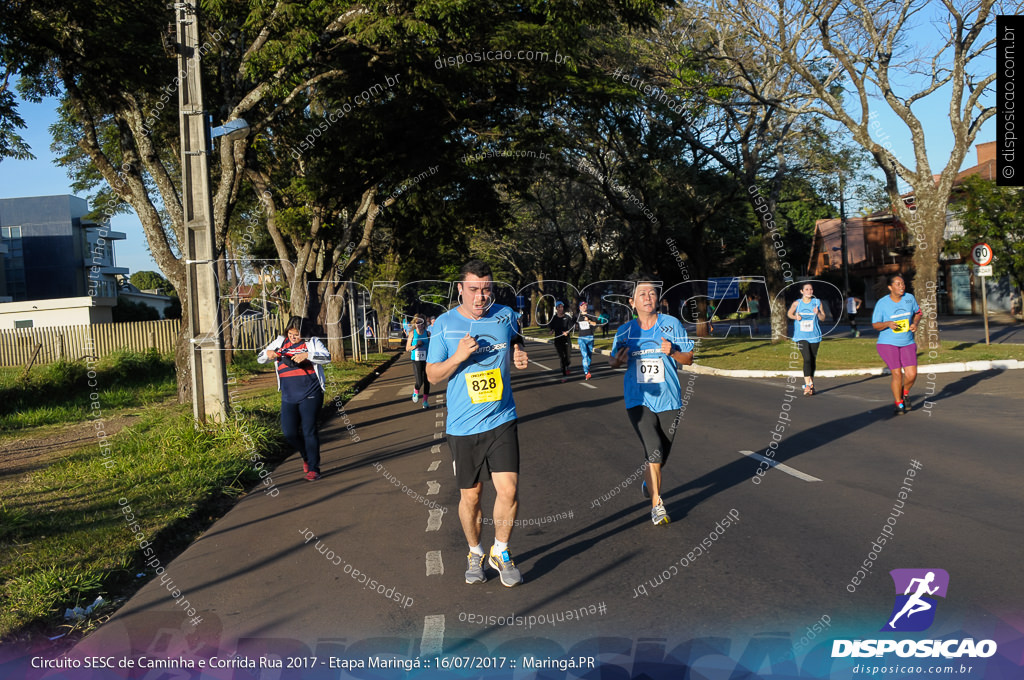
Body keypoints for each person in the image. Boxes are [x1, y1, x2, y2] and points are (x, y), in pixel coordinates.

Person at [426, 260, 530, 586]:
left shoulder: (505, 315)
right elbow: (432, 375)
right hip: (463, 427)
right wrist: (457, 357)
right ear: (460, 289)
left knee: (509, 490)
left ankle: (501, 550)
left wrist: (518, 350)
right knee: (472, 497)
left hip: (502, 418)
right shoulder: (444, 325)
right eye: (473, 289)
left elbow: (515, 336)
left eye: (486, 289)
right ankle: (475, 551)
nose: (480, 296)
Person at [609, 279, 694, 526]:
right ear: (632, 302)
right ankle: (657, 505)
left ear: (658, 299)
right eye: (642, 293)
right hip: (638, 399)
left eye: (652, 293)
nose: (648, 297)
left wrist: (673, 352)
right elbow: (612, 361)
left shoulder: (672, 324)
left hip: (669, 398)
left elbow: (688, 358)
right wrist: (615, 362)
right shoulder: (625, 331)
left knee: (660, 456)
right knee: (654, 448)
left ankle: (649, 480)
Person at [258, 316, 332, 481]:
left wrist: (307, 355)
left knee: (309, 431)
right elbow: (260, 358)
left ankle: (314, 468)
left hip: (311, 393)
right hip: (288, 395)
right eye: (290, 333)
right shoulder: (280, 342)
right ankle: (306, 455)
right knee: (289, 433)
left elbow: (327, 357)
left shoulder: (312, 342)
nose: (293, 336)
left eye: (297, 334)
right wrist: (268, 354)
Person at [872, 274, 922, 415]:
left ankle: (904, 394)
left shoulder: (909, 298)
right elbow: (875, 325)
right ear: (890, 287)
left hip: (907, 342)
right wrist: (887, 324)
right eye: (898, 284)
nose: (902, 286)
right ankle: (898, 403)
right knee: (897, 373)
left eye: (903, 283)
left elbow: (918, 313)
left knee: (912, 374)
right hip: (887, 343)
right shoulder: (882, 303)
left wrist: (915, 323)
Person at [788, 282, 826, 396]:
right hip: (801, 336)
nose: (809, 291)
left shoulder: (817, 302)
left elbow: (823, 318)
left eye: (811, 289)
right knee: (807, 359)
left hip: (814, 336)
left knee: (812, 360)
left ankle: (811, 384)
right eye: (807, 289)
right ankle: (807, 385)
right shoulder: (797, 303)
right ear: (802, 291)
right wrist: (796, 317)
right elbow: (789, 313)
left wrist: (818, 312)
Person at [406, 314, 431, 409]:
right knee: (419, 381)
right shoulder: (412, 333)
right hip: (416, 359)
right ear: (415, 324)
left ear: (424, 324)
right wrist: (416, 346)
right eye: (417, 323)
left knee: (427, 381)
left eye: (421, 323)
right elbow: (407, 348)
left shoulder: (428, 334)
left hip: (427, 359)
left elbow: (432, 346)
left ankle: (425, 401)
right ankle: (416, 391)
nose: (419, 325)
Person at [549, 300, 574, 376]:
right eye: (559, 307)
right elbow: (551, 327)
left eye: (562, 307)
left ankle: (567, 365)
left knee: (567, 356)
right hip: (558, 340)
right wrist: (551, 331)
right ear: (556, 308)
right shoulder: (554, 318)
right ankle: (564, 371)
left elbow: (571, 327)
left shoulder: (567, 317)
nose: (561, 308)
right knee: (562, 356)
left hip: (566, 339)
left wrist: (567, 331)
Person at [575, 300, 598, 380]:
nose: (585, 306)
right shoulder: (577, 316)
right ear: (580, 307)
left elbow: (595, 324)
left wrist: (588, 320)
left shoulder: (591, 314)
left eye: (586, 305)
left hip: (590, 337)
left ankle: (587, 369)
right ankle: (586, 372)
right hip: (581, 338)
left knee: (589, 357)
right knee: (584, 355)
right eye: (583, 305)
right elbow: (573, 324)